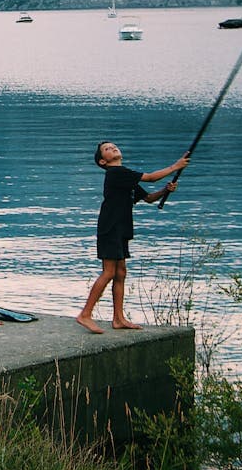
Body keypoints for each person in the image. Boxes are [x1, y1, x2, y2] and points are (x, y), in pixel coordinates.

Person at [75, 142, 189, 334]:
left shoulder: (125, 177)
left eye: (114, 146)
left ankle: (118, 319)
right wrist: (175, 166)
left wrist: (165, 191)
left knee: (121, 273)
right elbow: (151, 178)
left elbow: (149, 198)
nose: (113, 148)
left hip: (121, 228)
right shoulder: (116, 173)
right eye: (107, 149)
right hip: (110, 228)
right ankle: (85, 314)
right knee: (109, 272)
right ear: (103, 161)